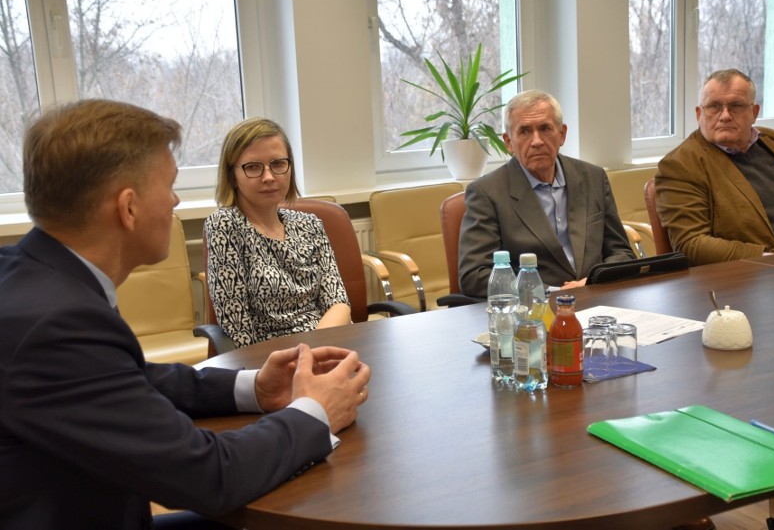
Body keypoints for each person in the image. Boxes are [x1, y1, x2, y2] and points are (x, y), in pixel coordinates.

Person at [0, 99, 371, 529]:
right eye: (170, 186)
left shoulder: (33, 279)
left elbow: (131, 377)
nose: (176, 201)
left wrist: (255, 387)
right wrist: (314, 411)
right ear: (128, 207)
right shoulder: (55, 325)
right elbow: (212, 477)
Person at [655, 68, 774, 266]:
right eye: (714, 106)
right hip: (762, 276)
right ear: (699, 114)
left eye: (736, 106)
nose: (724, 116)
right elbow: (691, 244)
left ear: (754, 112)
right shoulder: (680, 165)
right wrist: (768, 260)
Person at [458, 89, 635, 298]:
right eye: (524, 131)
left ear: (562, 134)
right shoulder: (487, 193)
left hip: (597, 299)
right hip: (533, 311)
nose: (537, 141)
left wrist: (592, 281)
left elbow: (622, 253)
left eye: (545, 129)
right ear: (508, 142)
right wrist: (549, 292)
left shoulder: (593, 178)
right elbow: (474, 275)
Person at [205, 118, 351, 348]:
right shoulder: (225, 225)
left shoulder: (310, 224)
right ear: (232, 175)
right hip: (271, 362)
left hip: (326, 346)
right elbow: (237, 329)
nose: (269, 176)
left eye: (278, 164)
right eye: (253, 167)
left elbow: (338, 303)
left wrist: (314, 353)